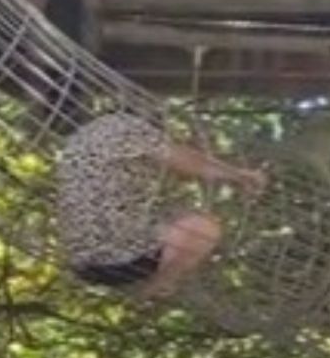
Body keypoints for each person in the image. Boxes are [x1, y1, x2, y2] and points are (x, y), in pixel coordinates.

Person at [57, 113, 266, 298]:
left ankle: (159, 276)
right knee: (203, 228)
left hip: (83, 260)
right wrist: (238, 175)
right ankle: (163, 282)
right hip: (120, 258)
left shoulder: (82, 141)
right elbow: (187, 162)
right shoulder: (126, 128)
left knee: (176, 216)